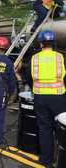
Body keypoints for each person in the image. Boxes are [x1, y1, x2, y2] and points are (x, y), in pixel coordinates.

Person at [29, 30, 66, 168]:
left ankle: (46, 160)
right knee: (61, 128)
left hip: (40, 97)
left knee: (45, 129)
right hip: (58, 97)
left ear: (41, 43)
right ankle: (62, 159)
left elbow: (30, 77)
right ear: (53, 43)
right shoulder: (59, 57)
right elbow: (63, 75)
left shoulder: (35, 58)